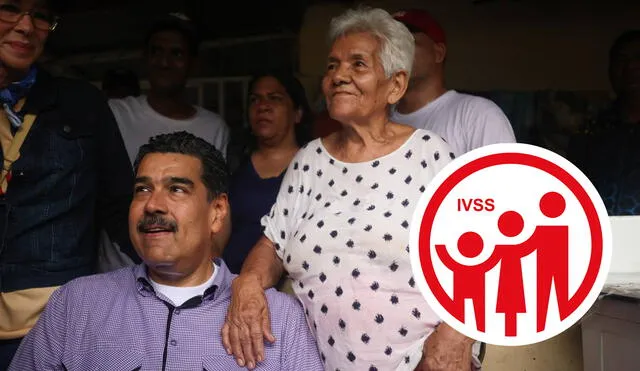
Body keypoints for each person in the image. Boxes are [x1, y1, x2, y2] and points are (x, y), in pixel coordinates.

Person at [222, 7, 477, 371]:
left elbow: (481, 257)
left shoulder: (430, 153)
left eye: (358, 64)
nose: (338, 75)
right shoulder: (308, 160)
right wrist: (247, 282)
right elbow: (272, 244)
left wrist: (455, 335)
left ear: (396, 86)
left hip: (426, 361)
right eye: (331, 66)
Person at [8, 131, 323, 371]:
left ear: (217, 211)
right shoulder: (76, 305)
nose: (153, 205)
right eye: (142, 189)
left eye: (176, 189)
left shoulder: (279, 319)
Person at [0, 0, 134, 368]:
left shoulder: (81, 103)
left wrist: (188, 275)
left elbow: (120, 205)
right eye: (10, 8)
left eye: (40, 15)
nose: (26, 26)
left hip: (51, 324)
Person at [390, 9, 515, 156]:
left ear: (438, 53)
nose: (396, 52)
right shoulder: (378, 119)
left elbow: (503, 177)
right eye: (390, 45)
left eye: (407, 42)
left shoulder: (477, 115)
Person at [108, 13, 230, 164]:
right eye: (157, 51)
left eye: (176, 53)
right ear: (145, 58)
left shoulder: (213, 128)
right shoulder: (116, 114)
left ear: (193, 64)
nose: (164, 62)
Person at [223, 71, 312, 274]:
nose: (262, 106)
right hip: (229, 282)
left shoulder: (313, 164)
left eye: (275, 99)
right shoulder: (234, 161)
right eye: (255, 99)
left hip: (289, 287)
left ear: (297, 113)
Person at [568, 30, 640, 215]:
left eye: (638, 57)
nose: (631, 66)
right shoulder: (589, 132)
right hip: (602, 238)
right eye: (622, 60)